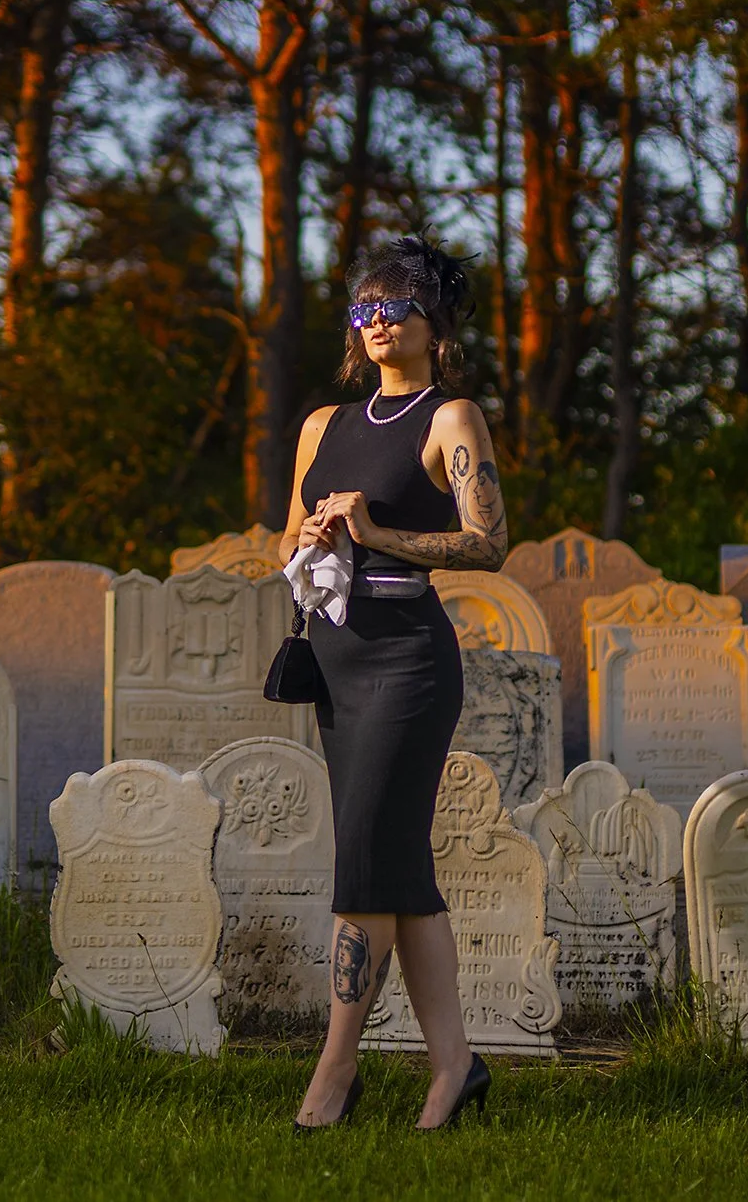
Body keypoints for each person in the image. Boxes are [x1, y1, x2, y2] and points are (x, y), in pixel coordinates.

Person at [281, 234, 507, 1131]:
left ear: (433, 322)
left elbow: (488, 544)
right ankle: (454, 1067)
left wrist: (373, 529)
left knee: (366, 862)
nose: (376, 322)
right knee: (400, 868)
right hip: (335, 653)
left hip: (410, 657)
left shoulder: (453, 418)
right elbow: (282, 537)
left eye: (395, 305)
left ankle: (335, 1073)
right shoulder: (321, 425)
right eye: (363, 308)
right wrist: (312, 539)